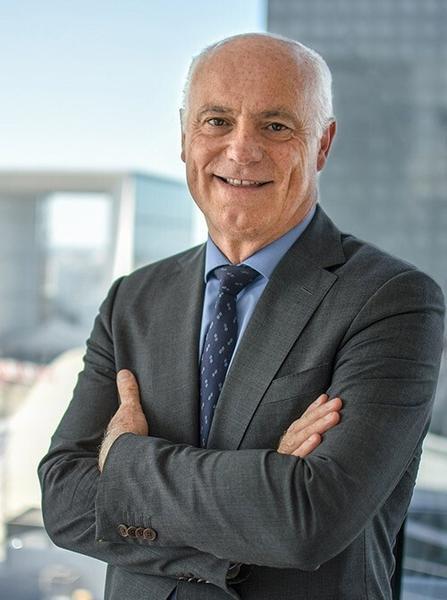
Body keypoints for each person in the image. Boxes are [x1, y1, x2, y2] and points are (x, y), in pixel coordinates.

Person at [38, 33, 445, 600]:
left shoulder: (392, 299)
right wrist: (262, 484)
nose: (242, 149)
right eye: (217, 121)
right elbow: (63, 500)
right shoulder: (133, 299)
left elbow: (307, 520)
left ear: (322, 144)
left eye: (276, 126)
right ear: (185, 137)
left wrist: (124, 460)